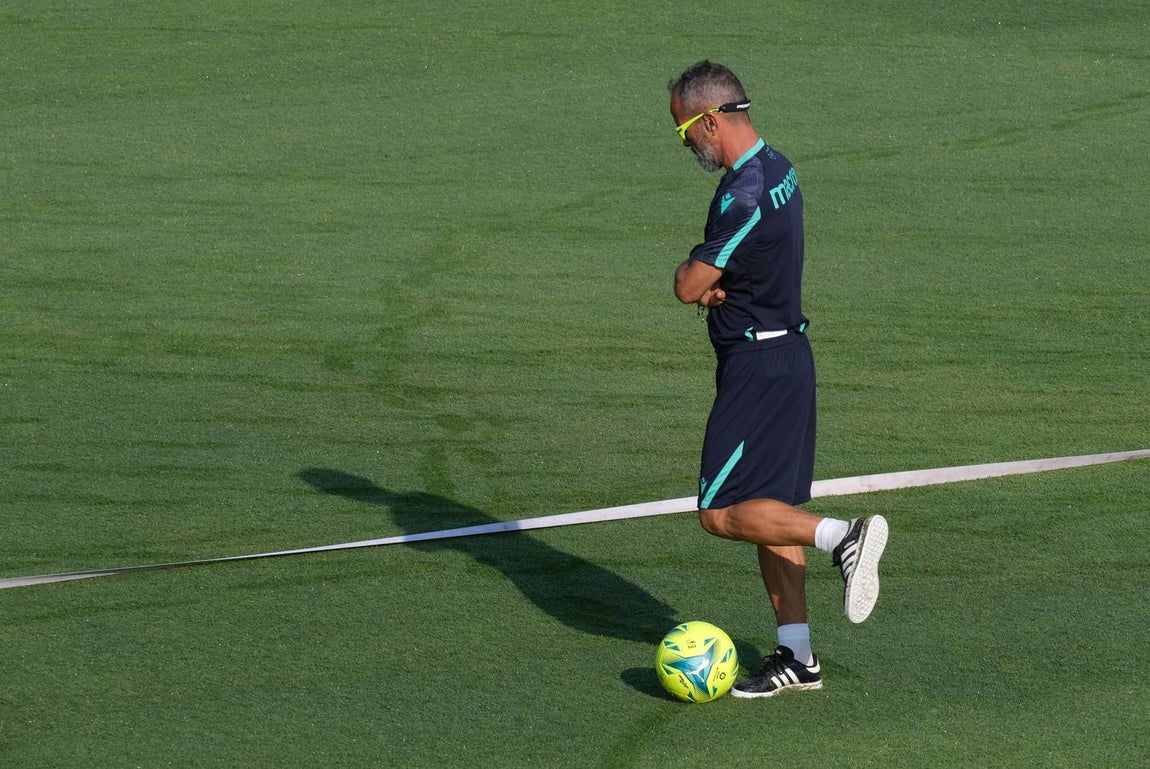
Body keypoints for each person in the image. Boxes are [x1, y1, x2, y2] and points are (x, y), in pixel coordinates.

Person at [667, 61, 888, 698]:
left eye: (685, 130)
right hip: (788, 355)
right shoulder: (780, 167)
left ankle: (845, 537)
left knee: (719, 513)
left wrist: (698, 279)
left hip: (758, 369)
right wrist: (726, 286)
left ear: (711, 119)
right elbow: (747, 261)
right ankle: (798, 657)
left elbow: (687, 285)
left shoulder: (743, 192)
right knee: (772, 515)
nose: (686, 144)